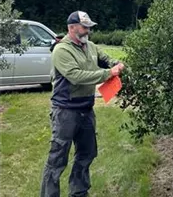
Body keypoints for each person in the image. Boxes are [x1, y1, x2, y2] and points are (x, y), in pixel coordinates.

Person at [40, 11, 125, 197]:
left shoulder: (91, 46)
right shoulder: (62, 50)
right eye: (84, 27)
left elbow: (105, 59)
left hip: (86, 110)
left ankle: (79, 192)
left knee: (87, 154)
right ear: (72, 28)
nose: (88, 30)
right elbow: (76, 76)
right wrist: (109, 73)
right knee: (57, 159)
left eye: (89, 27)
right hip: (65, 112)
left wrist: (117, 63)